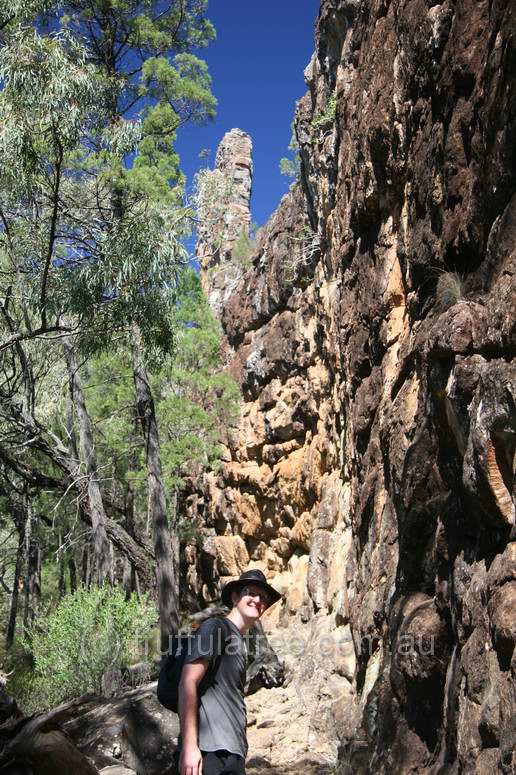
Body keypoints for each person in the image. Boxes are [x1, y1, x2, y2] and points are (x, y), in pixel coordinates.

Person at [174, 569, 282, 775]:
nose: (257, 599)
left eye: (263, 597)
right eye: (250, 592)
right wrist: (189, 747)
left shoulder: (240, 642)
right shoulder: (215, 628)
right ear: (234, 597)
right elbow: (188, 681)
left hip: (233, 752)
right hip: (208, 751)